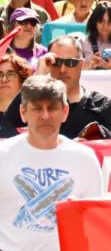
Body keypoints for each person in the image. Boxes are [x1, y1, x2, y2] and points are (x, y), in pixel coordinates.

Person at [0, 76, 102, 251]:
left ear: (65, 111)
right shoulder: (3, 155)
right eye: (37, 109)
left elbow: (94, 222)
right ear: (23, 112)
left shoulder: (85, 159)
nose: (45, 116)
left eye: (52, 108)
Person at [6, 36, 111, 139]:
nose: (62, 69)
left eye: (70, 63)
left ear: (81, 64)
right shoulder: (38, 104)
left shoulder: (101, 104)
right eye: (56, 62)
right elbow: (11, 120)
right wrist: (38, 75)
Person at [78, 2, 111, 69]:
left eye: (110, 22)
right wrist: (88, 66)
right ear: (94, 21)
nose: (105, 26)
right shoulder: (82, 43)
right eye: (101, 21)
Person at [0, 55, 32, 138]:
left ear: (22, 79)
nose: (4, 79)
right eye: (0, 75)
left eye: (10, 74)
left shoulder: (34, 113)